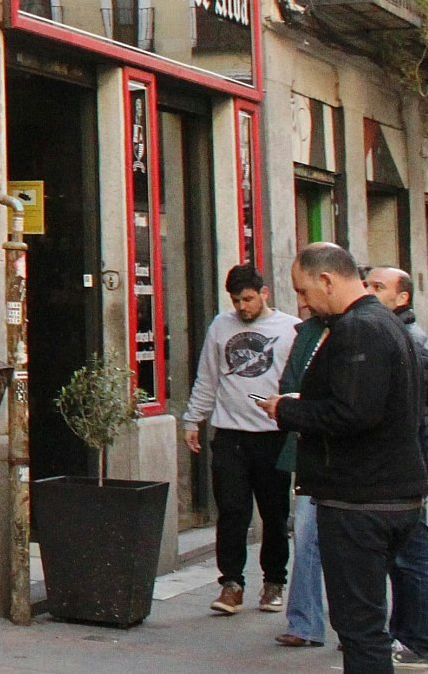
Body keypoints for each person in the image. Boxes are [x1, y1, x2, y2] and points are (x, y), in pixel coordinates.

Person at [262, 244, 427, 674]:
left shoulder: (359, 329)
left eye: (303, 290)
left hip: (361, 500)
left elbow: (354, 412)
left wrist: (287, 410)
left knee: (361, 629)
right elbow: (368, 402)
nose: (302, 303)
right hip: (386, 494)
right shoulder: (386, 325)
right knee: (366, 626)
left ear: (327, 281)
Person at [183, 263, 299, 614]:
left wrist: (294, 414)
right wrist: (193, 419)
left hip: (273, 435)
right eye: (236, 301)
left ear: (263, 294)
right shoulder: (221, 326)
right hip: (231, 435)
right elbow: (208, 377)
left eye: (248, 299)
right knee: (232, 511)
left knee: (274, 514)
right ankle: (231, 583)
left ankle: (274, 582)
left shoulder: (290, 328)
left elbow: (298, 382)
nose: (242, 307)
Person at [363, 266, 428, 671]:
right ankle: (404, 636)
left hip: (413, 460)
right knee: (403, 553)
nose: (368, 292)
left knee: (410, 554)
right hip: (411, 458)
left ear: (402, 298)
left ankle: (415, 642)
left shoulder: (407, 341)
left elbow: (411, 409)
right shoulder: (396, 334)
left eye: (377, 287)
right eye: (366, 284)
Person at [273, 302, 329, 648]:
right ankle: (305, 621)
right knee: (306, 535)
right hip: (310, 451)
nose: (304, 301)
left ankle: (357, 622)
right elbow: (289, 380)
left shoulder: (363, 332)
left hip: (353, 459)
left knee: (352, 544)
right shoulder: (306, 333)